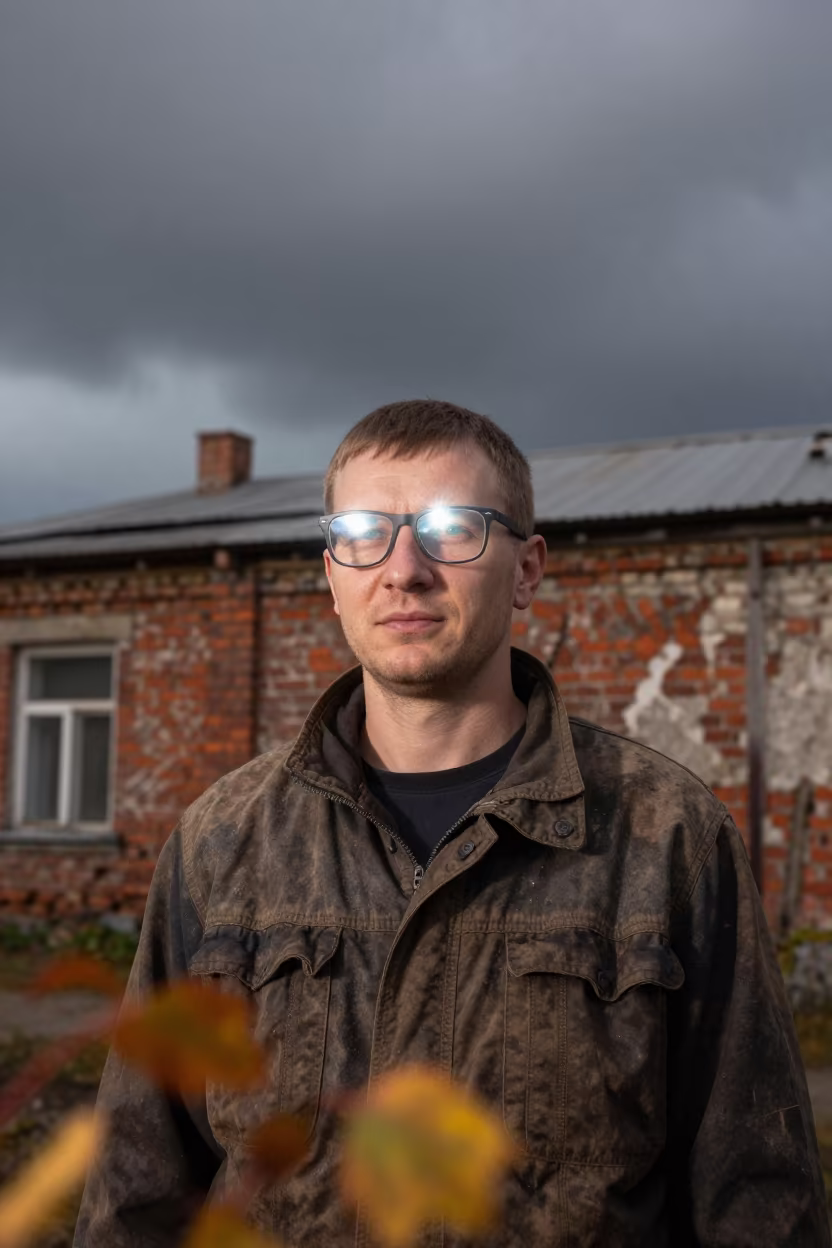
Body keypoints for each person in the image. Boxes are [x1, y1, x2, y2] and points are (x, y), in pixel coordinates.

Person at [75, 400, 828, 1246]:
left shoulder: (666, 837)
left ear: (527, 570)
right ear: (333, 576)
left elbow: (760, 1199)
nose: (404, 568)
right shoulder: (223, 843)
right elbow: (136, 1188)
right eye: (364, 531)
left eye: (451, 527)